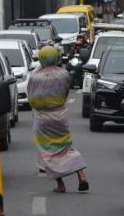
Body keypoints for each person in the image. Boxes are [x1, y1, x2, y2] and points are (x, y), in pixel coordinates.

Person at [28, 46, 89, 193]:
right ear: (56, 58)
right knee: (66, 147)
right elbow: (65, 93)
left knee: (48, 152)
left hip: (43, 119)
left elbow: (32, 99)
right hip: (60, 116)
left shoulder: (35, 76)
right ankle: (81, 175)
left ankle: (61, 185)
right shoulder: (63, 74)